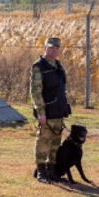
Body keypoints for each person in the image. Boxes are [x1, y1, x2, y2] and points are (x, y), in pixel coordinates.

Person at [30, 37, 70, 183]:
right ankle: (41, 173)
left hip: (58, 111)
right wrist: (41, 112)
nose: (54, 51)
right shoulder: (39, 66)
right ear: (45, 48)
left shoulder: (57, 65)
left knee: (55, 143)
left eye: (56, 48)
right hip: (46, 112)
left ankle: (52, 171)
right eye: (51, 48)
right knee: (43, 142)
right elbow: (35, 92)